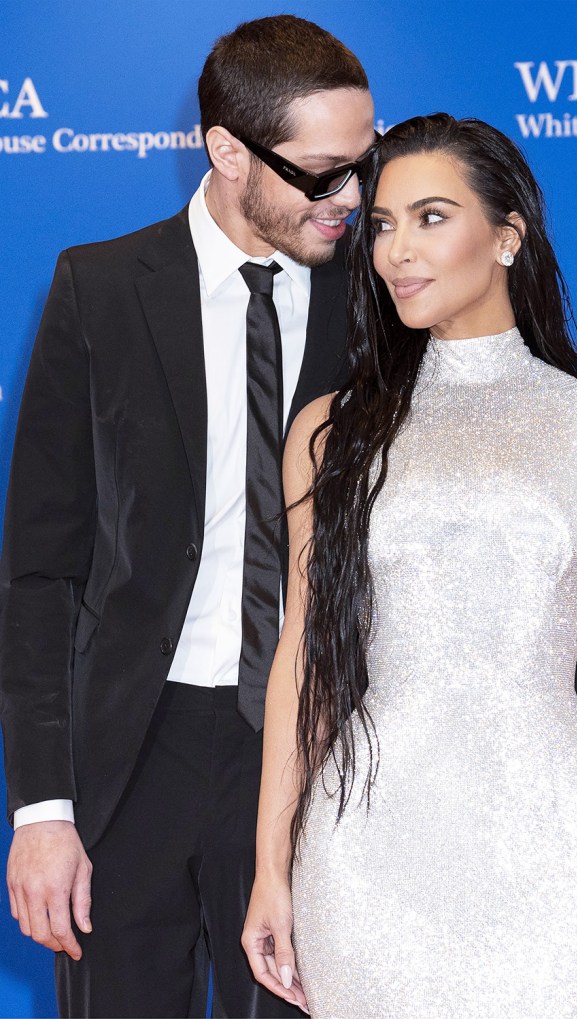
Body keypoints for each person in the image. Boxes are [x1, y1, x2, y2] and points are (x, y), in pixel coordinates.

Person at [242, 114, 577, 1017]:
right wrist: (270, 867)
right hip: (366, 848)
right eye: (385, 224)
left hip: (552, 842)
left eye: (431, 217)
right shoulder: (330, 433)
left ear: (507, 235)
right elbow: (307, 660)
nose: (397, 250)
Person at [0, 15, 375, 1018]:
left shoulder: (378, 300)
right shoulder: (100, 288)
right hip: (132, 754)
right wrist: (42, 807)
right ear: (225, 152)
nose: (348, 199)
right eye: (319, 172)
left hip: (309, 745)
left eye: (359, 167)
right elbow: (40, 568)